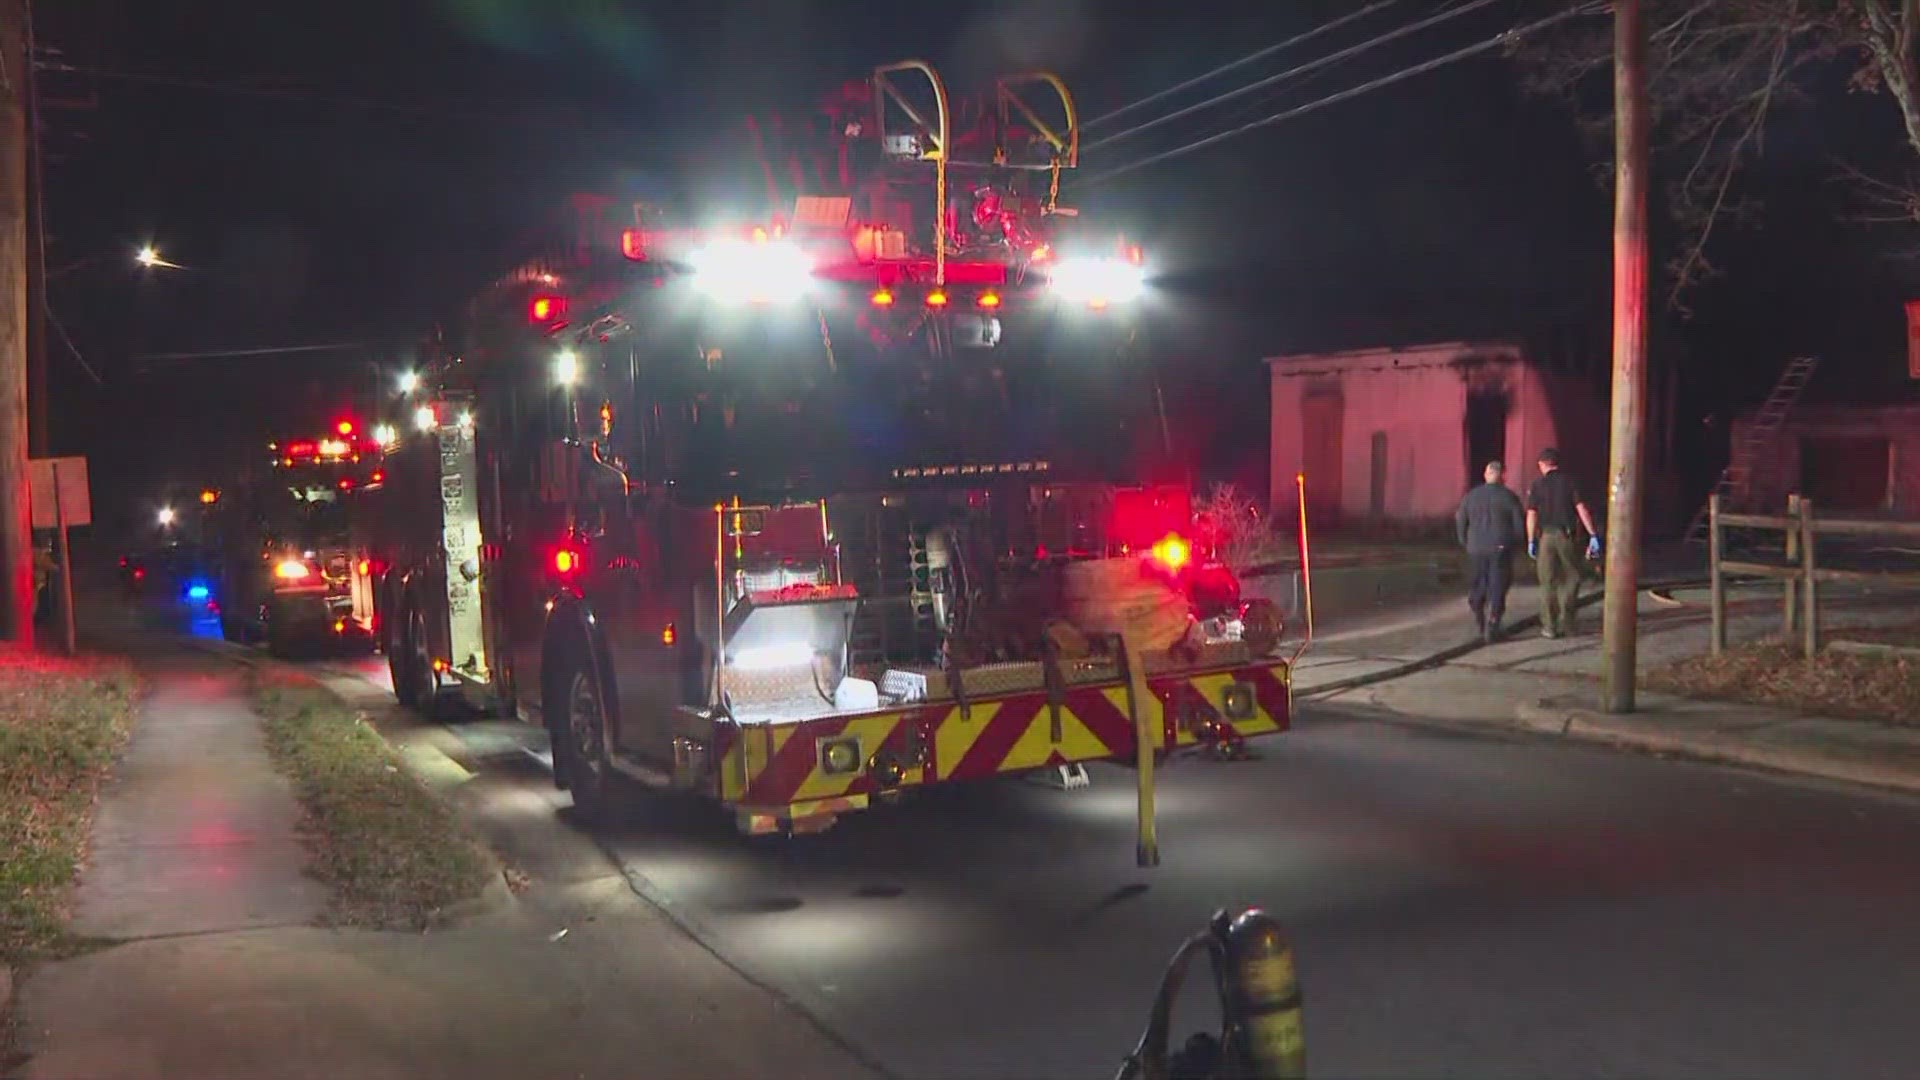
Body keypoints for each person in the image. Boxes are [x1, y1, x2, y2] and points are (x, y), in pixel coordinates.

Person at [1525, 447, 1600, 638]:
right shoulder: (1570, 482)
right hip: (1566, 536)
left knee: (1547, 582)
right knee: (1573, 576)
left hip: (1545, 537)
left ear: (1542, 464)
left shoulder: (1537, 485)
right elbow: (1581, 509)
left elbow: (1531, 514)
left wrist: (1531, 540)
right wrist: (1593, 534)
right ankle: (1567, 621)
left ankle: (1549, 626)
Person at [1454, 460, 1526, 642]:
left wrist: (1465, 541)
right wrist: (1516, 544)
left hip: (1476, 547)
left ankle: (1478, 609)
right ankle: (1493, 621)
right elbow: (1518, 524)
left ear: (1486, 475)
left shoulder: (1471, 496)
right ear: (1503, 476)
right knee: (1498, 585)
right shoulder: (1509, 497)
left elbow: (1461, 519)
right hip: (1500, 548)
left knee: (1479, 581)